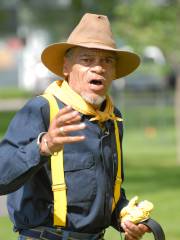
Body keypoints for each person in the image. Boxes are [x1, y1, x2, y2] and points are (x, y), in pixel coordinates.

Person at [0, 13, 150, 240]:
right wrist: (44, 146)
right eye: (87, 60)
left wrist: (123, 216)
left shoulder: (111, 119)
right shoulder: (41, 109)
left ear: (114, 72)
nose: (98, 68)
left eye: (107, 61)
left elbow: (101, 192)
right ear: (66, 67)